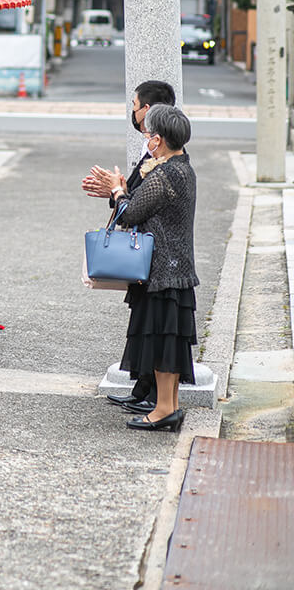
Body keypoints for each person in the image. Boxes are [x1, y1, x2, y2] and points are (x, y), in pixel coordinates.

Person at [82, 79, 176, 412]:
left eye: (134, 105)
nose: (132, 111)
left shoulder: (165, 161)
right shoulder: (150, 152)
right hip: (149, 253)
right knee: (144, 323)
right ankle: (144, 389)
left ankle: (155, 398)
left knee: (156, 327)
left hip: (160, 257)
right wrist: (114, 190)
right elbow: (135, 197)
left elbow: (138, 205)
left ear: (148, 111)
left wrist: (118, 191)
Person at [106, 105, 198, 433]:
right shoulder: (183, 168)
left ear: (157, 140)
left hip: (161, 271)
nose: (146, 139)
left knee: (161, 342)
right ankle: (168, 407)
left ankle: (162, 410)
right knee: (171, 342)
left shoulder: (164, 175)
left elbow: (130, 212)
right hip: (178, 269)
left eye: (148, 134)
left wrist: (118, 190)